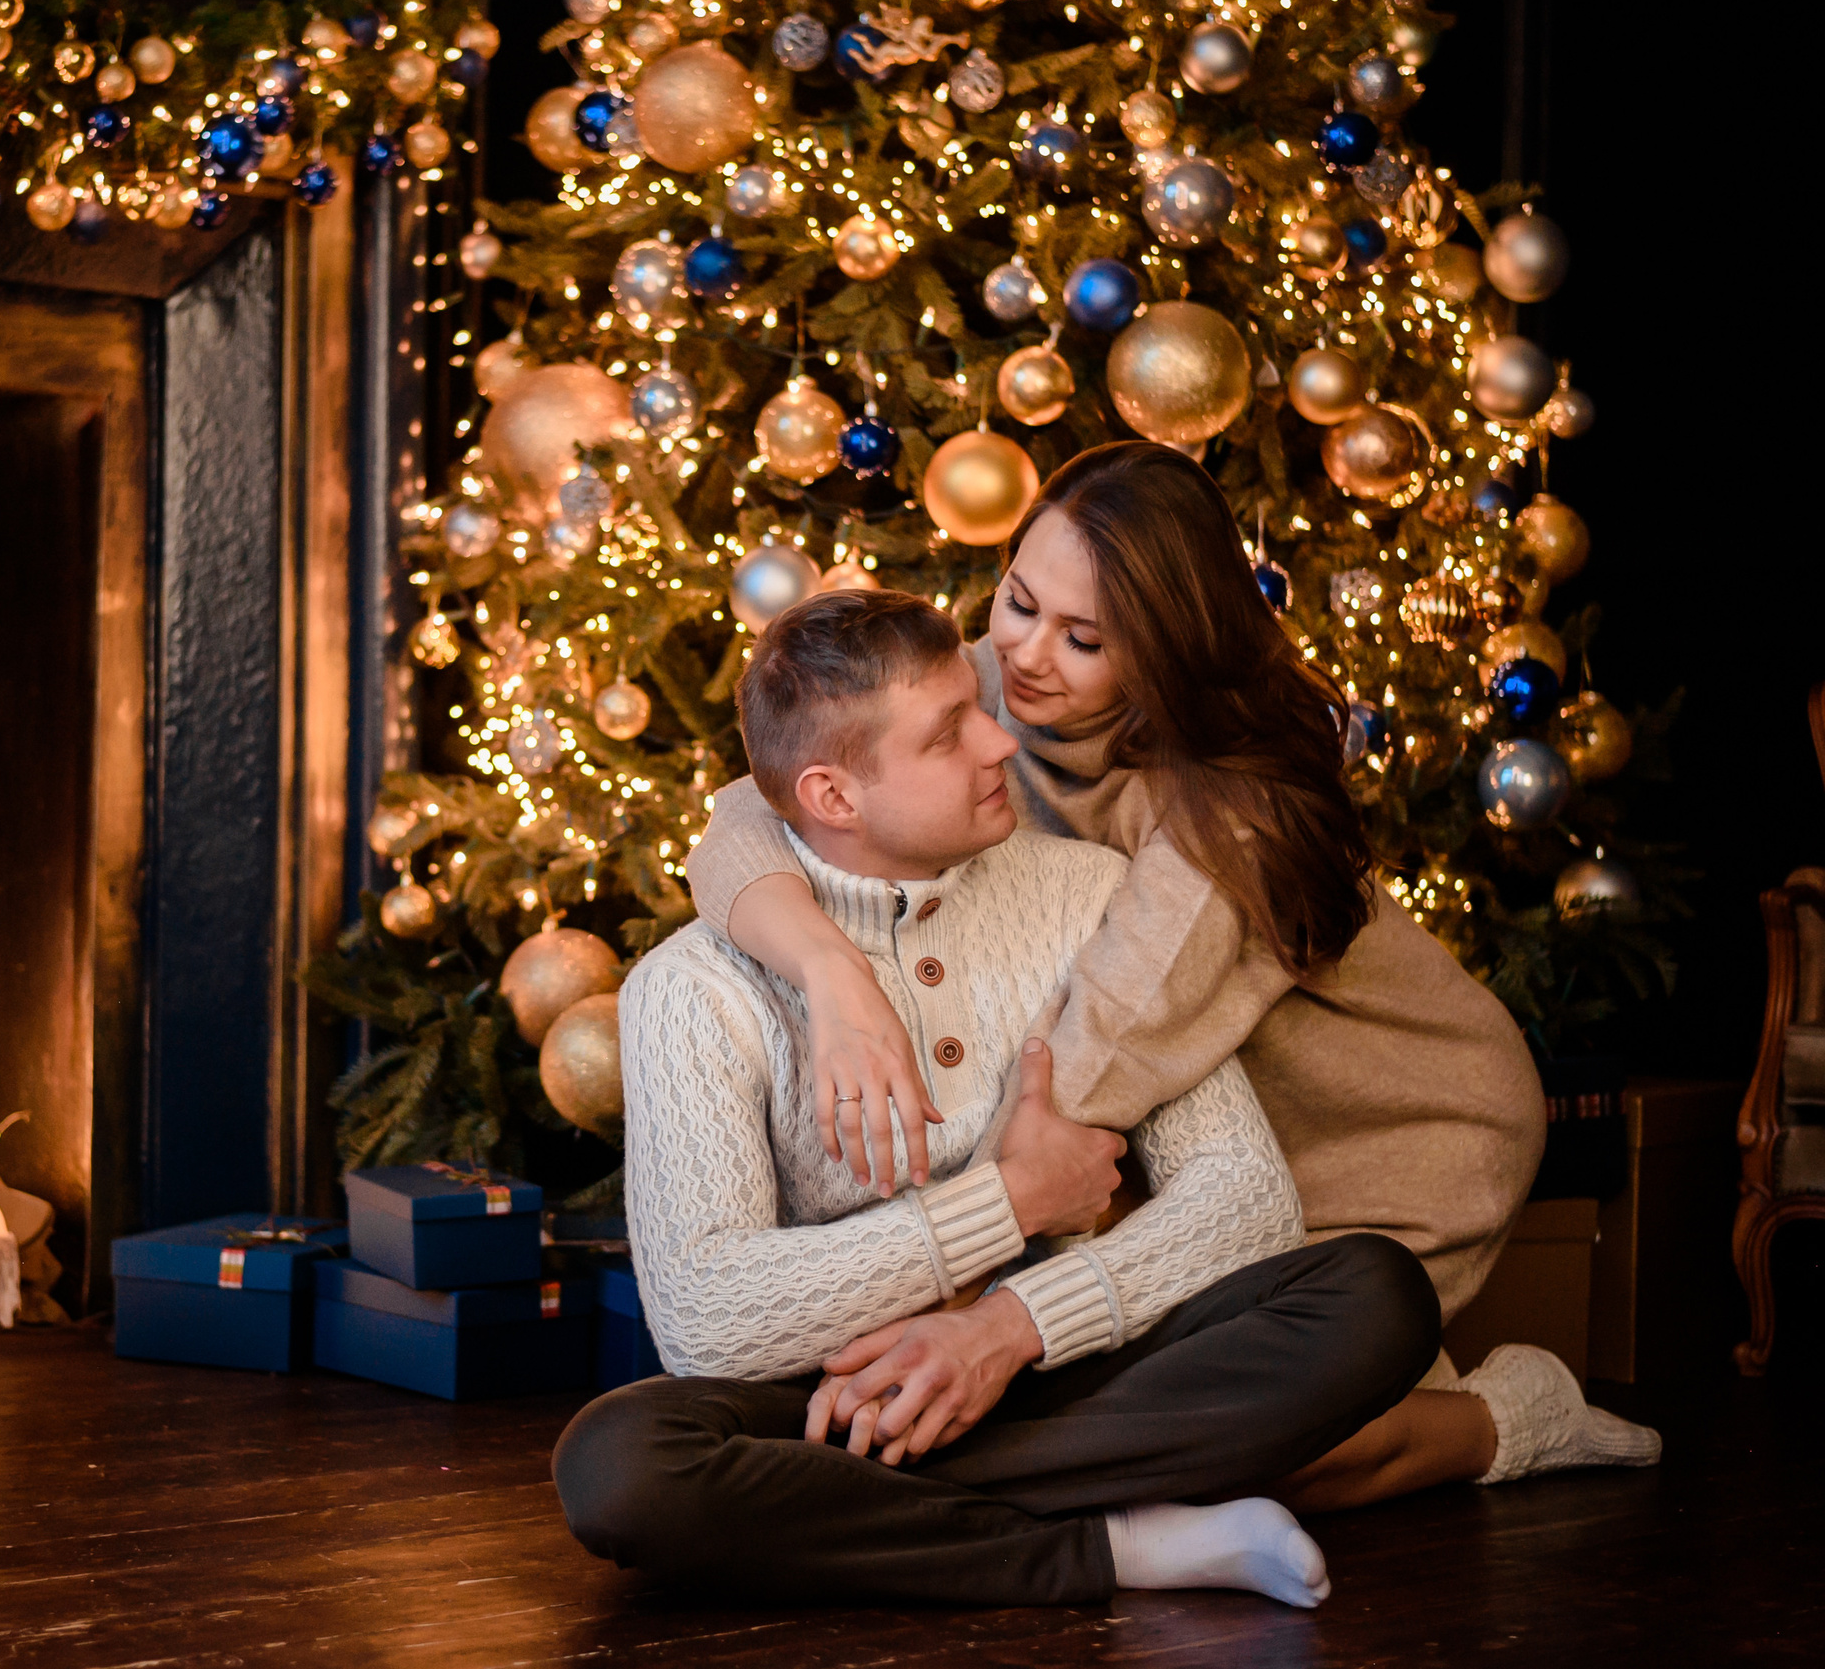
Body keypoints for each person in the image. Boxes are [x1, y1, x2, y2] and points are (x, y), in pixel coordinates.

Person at [681, 441, 1657, 1507]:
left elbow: (1078, 1081)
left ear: (1165, 652)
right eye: (1017, 600)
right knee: (1124, 1427)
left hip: (1399, 1130)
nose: (1024, 656)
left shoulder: (1221, 816)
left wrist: (962, 1320)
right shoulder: (994, 684)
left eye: (1084, 637)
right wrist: (834, 979)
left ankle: (1503, 1420)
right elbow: (754, 809)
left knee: (1226, 1457)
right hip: (1216, 1123)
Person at [555, 587, 1443, 1607]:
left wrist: (1005, 1327)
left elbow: (1245, 1198)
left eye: (978, 704)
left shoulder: (1085, 894)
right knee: (620, 1466)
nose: (998, 742)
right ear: (834, 797)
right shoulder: (688, 988)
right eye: (948, 734)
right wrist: (1011, 1203)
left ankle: (899, 1524)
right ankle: (1116, 1546)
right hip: (837, 1398)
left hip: (1071, 1354)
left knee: (1374, 1294)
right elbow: (706, 1322)